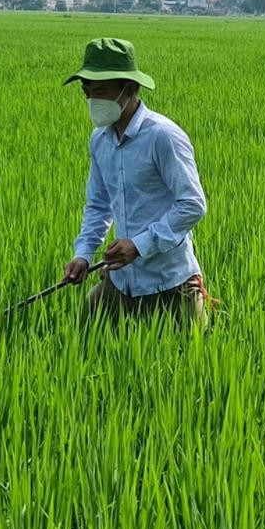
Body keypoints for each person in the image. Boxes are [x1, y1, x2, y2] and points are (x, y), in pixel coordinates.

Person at [62, 37, 211, 325]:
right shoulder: (100, 140)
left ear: (129, 89)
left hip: (169, 280)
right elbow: (98, 204)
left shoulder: (162, 136)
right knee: (83, 344)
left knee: (191, 362)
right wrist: (82, 254)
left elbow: (192, 205)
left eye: (101, 92)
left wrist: (140, 245)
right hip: (121, 280)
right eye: (87, 92)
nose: (93, 101)